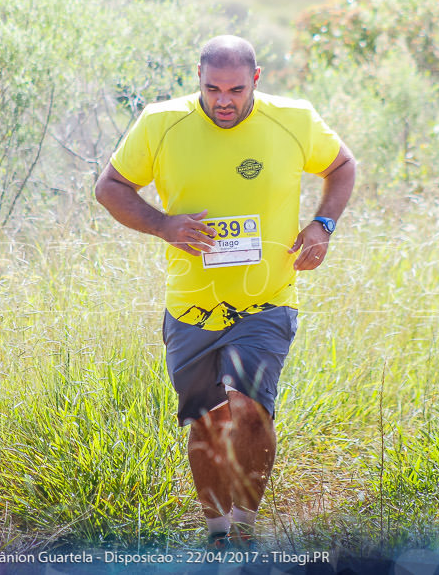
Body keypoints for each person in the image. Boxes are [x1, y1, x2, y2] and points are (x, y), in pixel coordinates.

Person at [94, 34, 355, 550]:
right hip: (190, 303)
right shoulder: (160, 122)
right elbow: (110, 188)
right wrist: (164, 224)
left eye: (236, 89)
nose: (224, 100)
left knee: (251, 408)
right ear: (198, 77)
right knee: (207, 419)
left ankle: (244, 528)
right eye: (212, 88)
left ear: (256, 79)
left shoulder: (294, 119)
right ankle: (217, 536)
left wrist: (322, 224)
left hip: (268, 299)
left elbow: (342, 166)